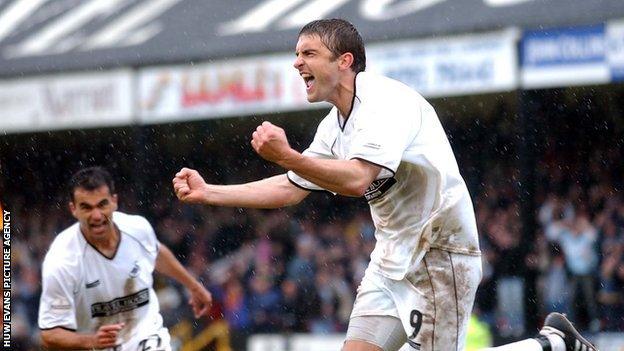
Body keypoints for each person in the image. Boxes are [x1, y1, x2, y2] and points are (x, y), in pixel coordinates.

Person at [172, 18, 596, 351]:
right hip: (390, 260)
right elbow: (293, 187)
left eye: (308, 53)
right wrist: (211, 192)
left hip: (439, 252)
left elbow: (357, 179)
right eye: (296, 54)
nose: (297, 63)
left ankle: (552, 343)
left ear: (345, 61)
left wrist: (287, 154)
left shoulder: (387, 102)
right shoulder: (334, 124)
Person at [39, 167, 212, 350]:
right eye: (86, 207)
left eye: (102, 204)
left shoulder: (137, 228)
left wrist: (193, 285)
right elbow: (49, 334)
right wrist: (91, 341)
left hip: (146, 336)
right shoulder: (61, 260)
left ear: (114, 201)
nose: (96, 215)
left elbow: (156, 253)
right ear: (73, 209)